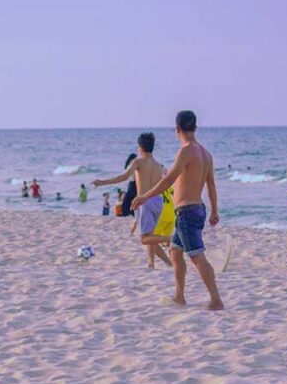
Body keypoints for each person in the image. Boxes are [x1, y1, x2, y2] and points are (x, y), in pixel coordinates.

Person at [132, 111, 223, 309]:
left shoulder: (186, 151)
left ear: (177, 129)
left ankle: (216, 300)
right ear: (195, 128)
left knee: (197, 256)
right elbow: (211, 185)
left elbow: (169, 179)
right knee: (175, 251)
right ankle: (179, 296)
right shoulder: (206, 153)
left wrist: (145, 196)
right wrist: (215, 210)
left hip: (188, 211)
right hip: (195, 209)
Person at [93, 132, 172, 269]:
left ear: (140, 148)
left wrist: (102, 182)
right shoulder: (159, 166)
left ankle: (170, 239)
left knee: (144, 238)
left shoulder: (138, 162)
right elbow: (168, 181)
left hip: (144, 201)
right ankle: (156, 264)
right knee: (150, 236)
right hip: (158, 202)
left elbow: (123, 177)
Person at [120, 153, 138, 218]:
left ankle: (132, 213)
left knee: (129, 200)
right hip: (131, 184)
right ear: (131, 159)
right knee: (128, 200)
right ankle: (131, 213)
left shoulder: (132, 166)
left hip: (133, 184)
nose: (136, 160)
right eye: (135, 159)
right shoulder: (130, 166)